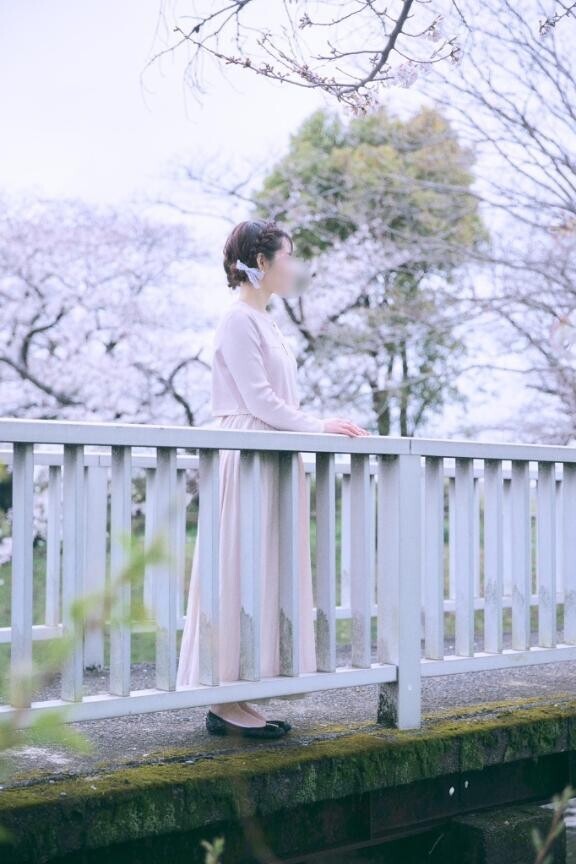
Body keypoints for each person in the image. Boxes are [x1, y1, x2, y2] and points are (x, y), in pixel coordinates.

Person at [176, 219, 369, 738]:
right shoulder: (238, 320)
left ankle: (244, 688)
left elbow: (272, 400)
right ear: (261, 263)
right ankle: (224, 695)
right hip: (250, 453)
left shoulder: (264, 321)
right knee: (238, 567)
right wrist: (319, 426)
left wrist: (310, 427)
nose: (296, 266)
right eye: (288, 256)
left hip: (272, 452)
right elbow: (258, 399)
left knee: (264, 570)